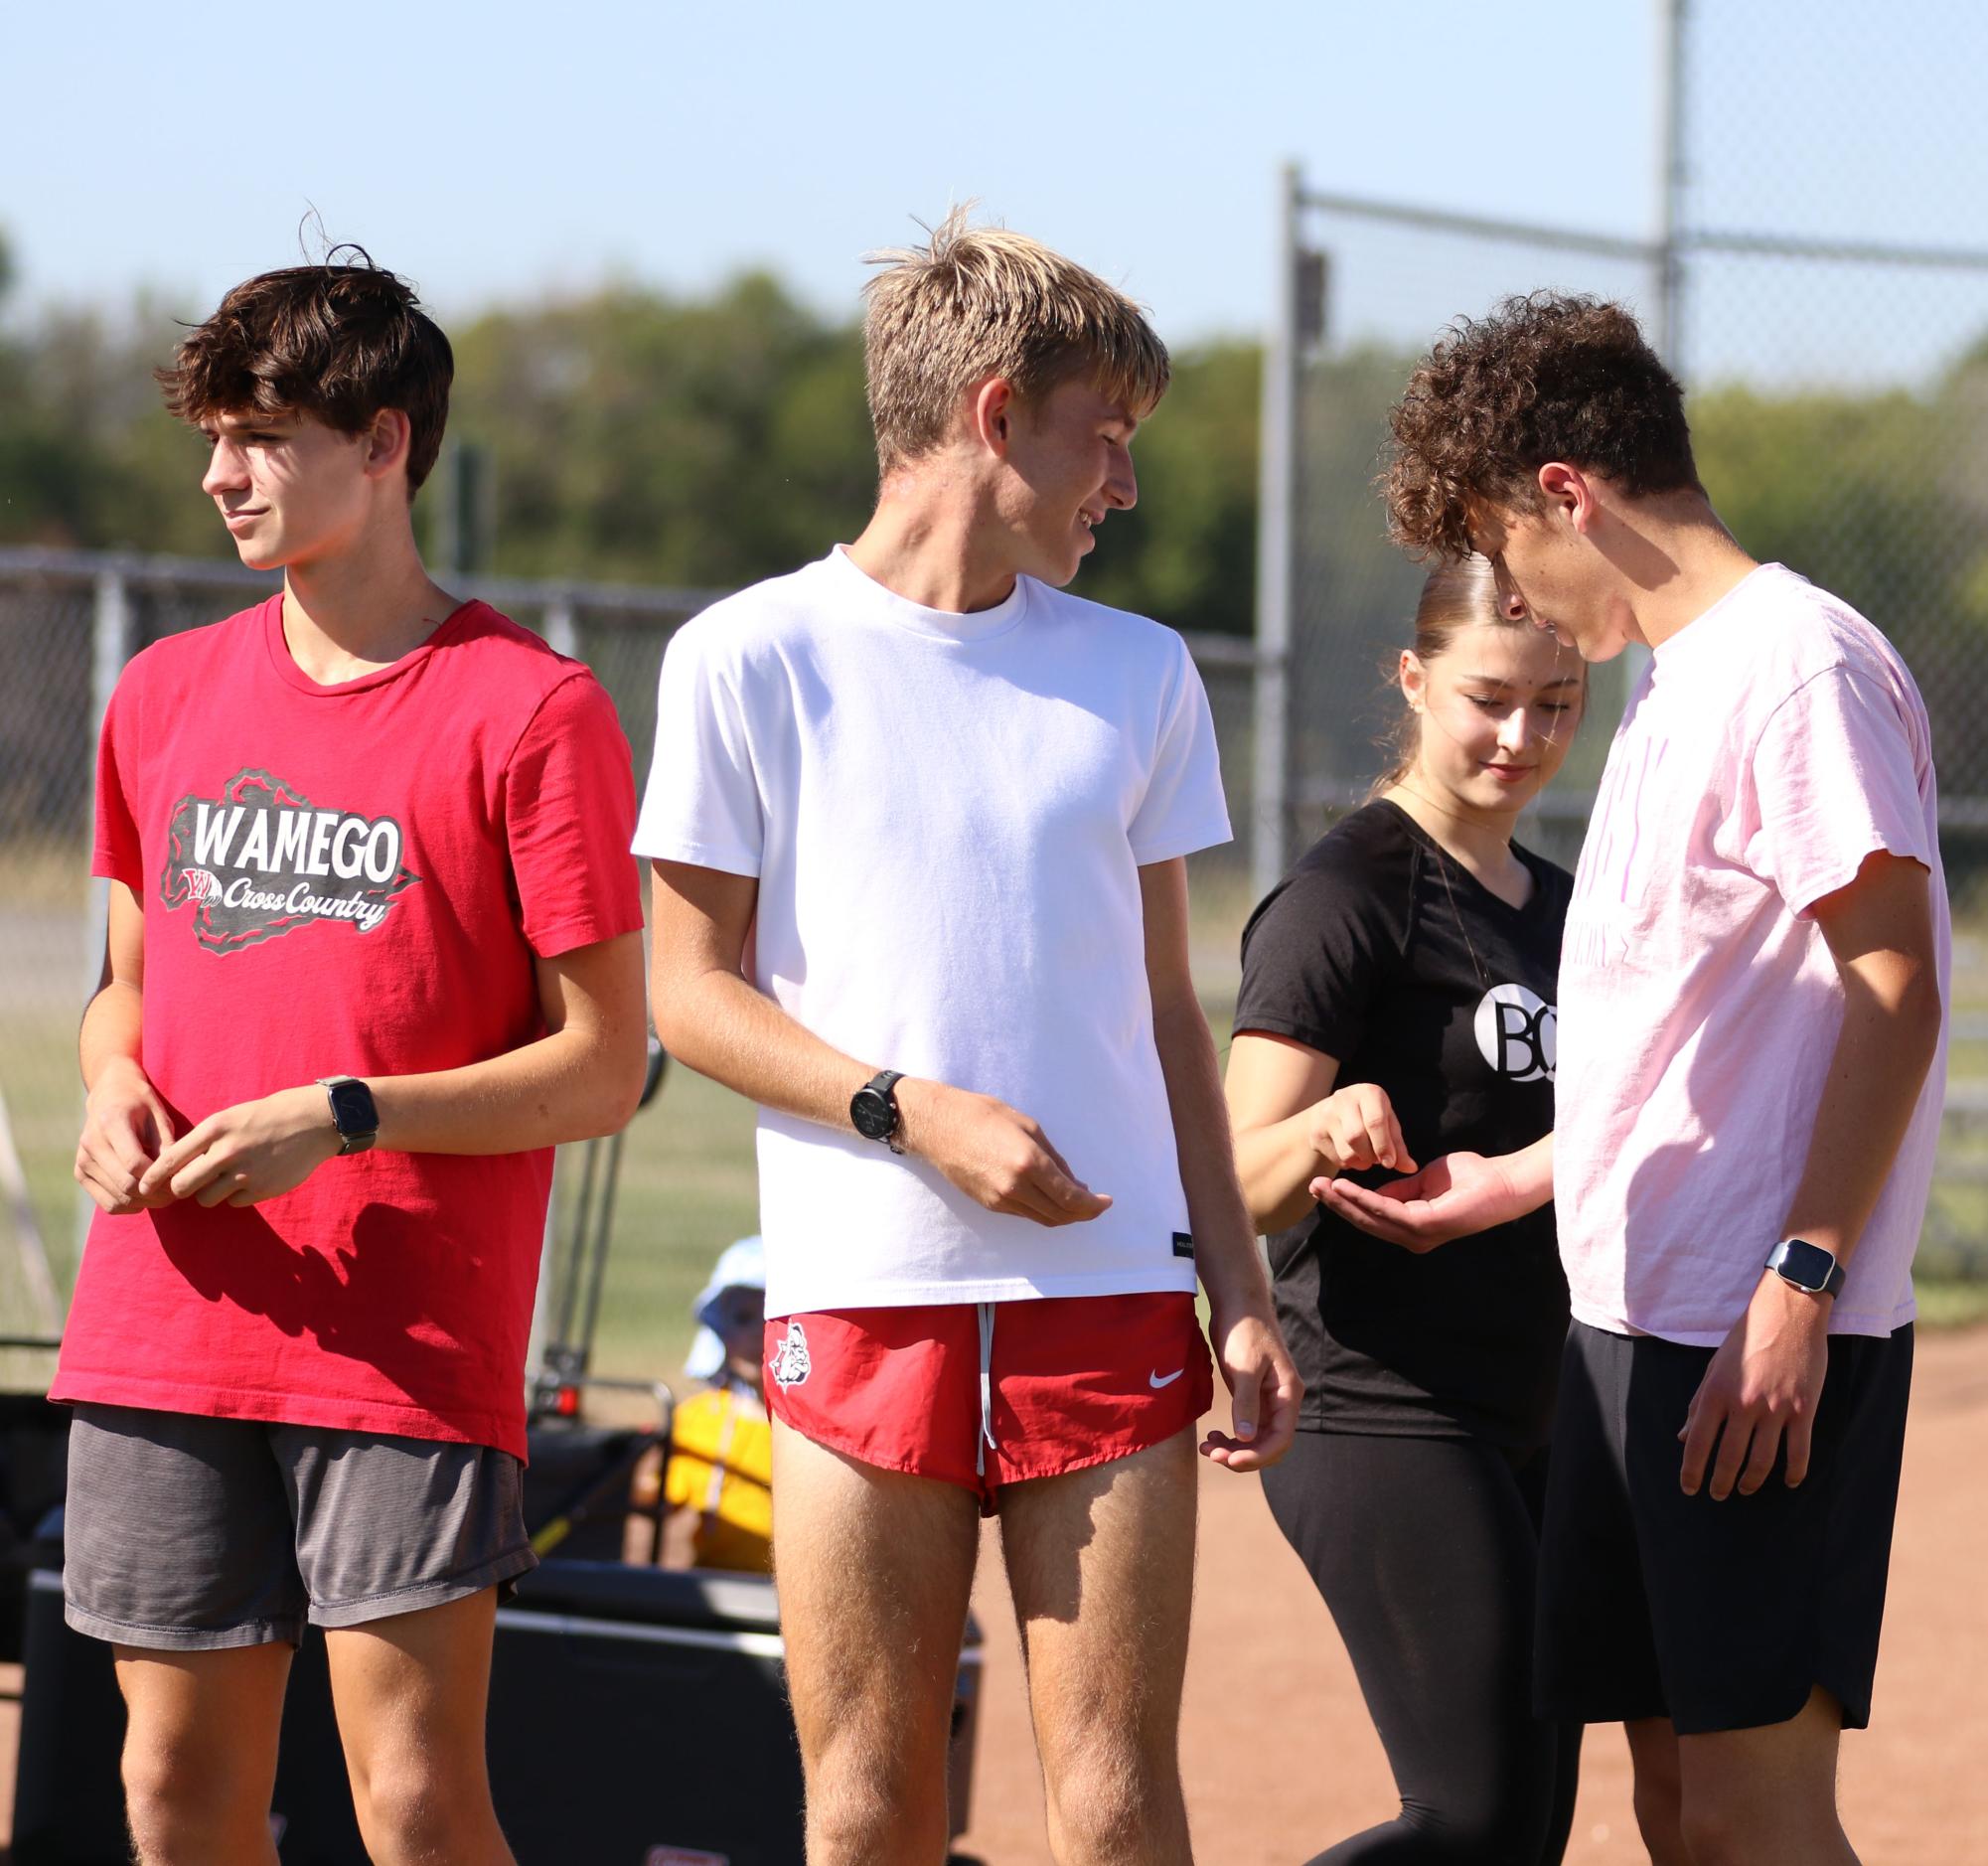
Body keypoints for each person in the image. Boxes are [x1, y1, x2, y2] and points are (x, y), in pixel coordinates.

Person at [638, 210, 1300, 1866]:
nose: (1124, 487)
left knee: (1120, 1801)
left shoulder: (1141, 675)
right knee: (866, 1805)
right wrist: (904, 1107)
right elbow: (686, 990)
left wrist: (1239, 1288)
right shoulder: (744, 656)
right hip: (860, 1305)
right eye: (1109, 438)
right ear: (996, 414)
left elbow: (1167, 1009)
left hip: (1112, 1307)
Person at [1326, 291, 1948, 1866]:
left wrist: (1796, 1282)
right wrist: (1520, 1182)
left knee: (1754, 1817)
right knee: (1676, 1808)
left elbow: (1896, 980)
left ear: (1564, 494)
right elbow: (1700, 1030)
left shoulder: (1793, 668)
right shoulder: (1683, 681)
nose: (1518, 603)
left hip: (1746, 1336)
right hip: (1631, 1324)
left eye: (1505, 547)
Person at [62, 253, 648, 1866]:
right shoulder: (164, 693)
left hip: (402, 1347)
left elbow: (604, 1066)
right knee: (171, 1797)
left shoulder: (533, 711)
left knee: (411, 1798)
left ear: (385, 442)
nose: (217, 472)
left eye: (258, 433)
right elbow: (124, 991)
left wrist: (347, 1116)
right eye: (211, 433)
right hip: (159, 1328)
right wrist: (109, 1084)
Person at [1225, 553, 1585, 1863]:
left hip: (1535, 1405)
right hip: (1377, 1395)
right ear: (1414, 675)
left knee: (1524, 1835)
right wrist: (1322, 1123)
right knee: (1472, 1818)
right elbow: (1228, 1175)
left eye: (1557, 701)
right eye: (1490, 695)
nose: (1520, 735)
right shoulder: (1349, 890)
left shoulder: (1554, 906)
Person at [653, 1235, 773, 1572]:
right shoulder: (695, 1423)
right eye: (742, 1318)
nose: (755, 1334)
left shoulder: (821, 1432)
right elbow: (658, 1541)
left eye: (770, 1315)